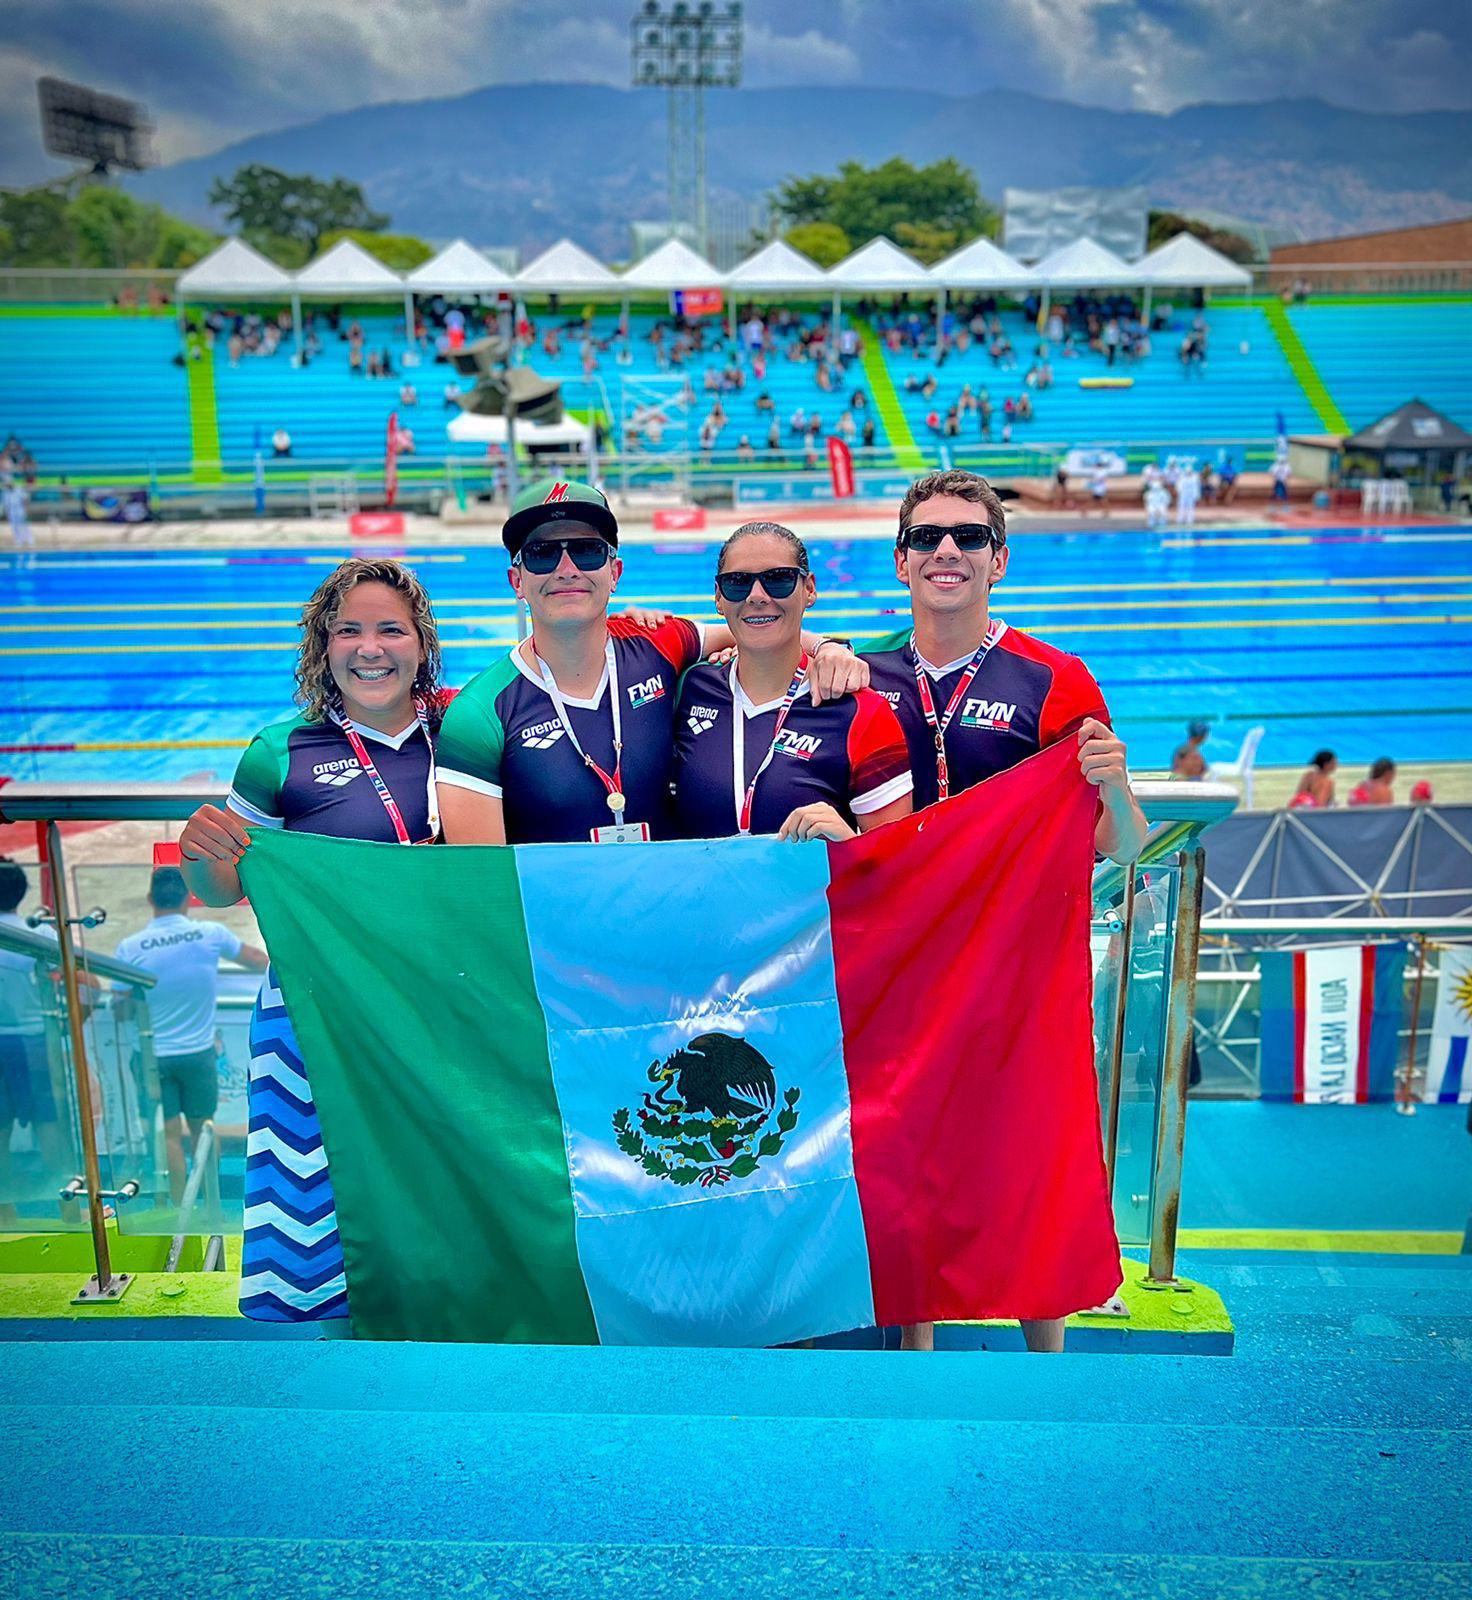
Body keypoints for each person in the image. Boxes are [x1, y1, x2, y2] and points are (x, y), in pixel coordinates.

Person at [860, 470, 1148, 1355]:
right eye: (930, 538)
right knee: (906, 1146)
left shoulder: (1054, 680)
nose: (949, 551)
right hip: (903, 966)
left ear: (1000, 560)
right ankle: (916, 1343)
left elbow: (1124, 846)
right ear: (903, 560)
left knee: (1030, 1149)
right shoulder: (857, 677)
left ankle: (1047, 1354)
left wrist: (1117, 786)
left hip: (1024, 969)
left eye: (969, 538)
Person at [178, 557, 448, 1322]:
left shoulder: (465, 733)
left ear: (421, 643)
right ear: (322, 647)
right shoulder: (279, 750)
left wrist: (818, 649)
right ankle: (315, 1338)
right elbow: (219, 891)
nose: (371, 648)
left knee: (436, 1172)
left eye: (390, 629)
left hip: (436, 1005)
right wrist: (205, 851)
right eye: (348, 630)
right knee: (315, 1188)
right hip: (314, 1011)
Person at [435, 480, 869, 847]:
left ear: (615, 572)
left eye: (586, 551)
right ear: (517, 581)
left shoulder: (658, 643)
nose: (566, 569)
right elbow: (484, 884)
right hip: (559, 941)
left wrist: (830, 646)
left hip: (672, 930)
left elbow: (755, 629)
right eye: (542, 555)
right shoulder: (480, 713)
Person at [672, 523, 914, 843]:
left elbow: (896, 862)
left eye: (778, 579)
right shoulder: (689, 687)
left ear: (809, 589)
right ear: (718, 597)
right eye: (737, 583)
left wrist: (848, 844)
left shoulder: (860, 710)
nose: (757, 596)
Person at [112, 868, 267, 1205]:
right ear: (187, 898)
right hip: (197, 1053)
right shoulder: (209, 934)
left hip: (153, 1055)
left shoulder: (130, 947)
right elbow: (258, 961)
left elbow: (120, 1009)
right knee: (203, 1130)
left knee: (168, 1132)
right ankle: (210, 1201)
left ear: (151, 899)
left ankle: (180, 1204)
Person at [0, 857, 65, 1218]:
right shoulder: (38, 931)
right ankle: (68, 1207)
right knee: (49, 1123)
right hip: (36, 1039)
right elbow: (80, 979)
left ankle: (4, 1211)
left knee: (0, 1129)